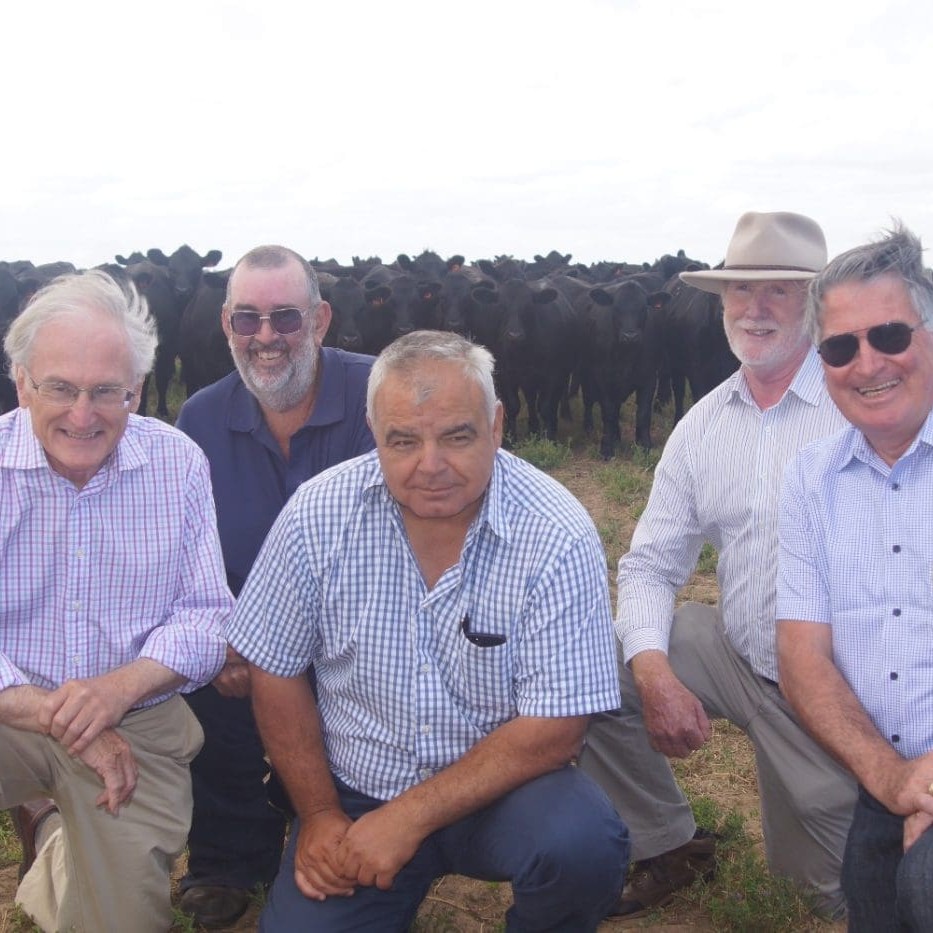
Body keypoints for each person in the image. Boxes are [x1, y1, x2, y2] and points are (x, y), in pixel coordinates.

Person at [225, 330, 628, 931]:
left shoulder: (556, 531)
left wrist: (407, 819)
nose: (431, 465)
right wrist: (319, 815)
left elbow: (557, 729)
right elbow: (275, 669)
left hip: (503, 793)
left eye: (457, 436)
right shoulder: (318, 514)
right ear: (373, 434)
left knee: (583, 844)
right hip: (359, 791)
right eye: (404, 441)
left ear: (496, 426)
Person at [578, 211, 858, 919]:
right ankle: (669, 841)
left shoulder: (860, 410)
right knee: (592, 666)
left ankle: (824, 790)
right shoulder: (701, 425)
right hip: (738, 657)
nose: (753, 309)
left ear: (815, 303)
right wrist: (653, 671)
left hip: (836, 691)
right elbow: (647, 565)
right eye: (739, 291)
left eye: (777, 291)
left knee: (824, 893)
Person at [0, 270, 233, 933]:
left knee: (122, 921)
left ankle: (52, 835)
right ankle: (53, 812)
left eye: (107, 391)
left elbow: (207, 615)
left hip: (133, 718)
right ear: (21, 382)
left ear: (136, 389)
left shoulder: (177, 463)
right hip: (10, 702)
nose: (83, 414)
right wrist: (53, 709)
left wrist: (117, 689)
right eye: (61, 388)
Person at [174, 245, 375, 928]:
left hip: (361, 631)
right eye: (247, 319)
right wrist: (227, 637)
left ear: (320, 319)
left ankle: (331, 816)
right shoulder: (200, 419)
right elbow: (187, 554)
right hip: (246, 642)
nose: (265, 337)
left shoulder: (378, 397)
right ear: (225, 323)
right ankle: (226, 856)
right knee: (199, 683)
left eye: (284, 318)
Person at [777, 225, 933, 931]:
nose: (866, 362)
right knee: (875, 897)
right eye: (840, 347)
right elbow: (801, 656)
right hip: (884, 778)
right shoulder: (810, 480)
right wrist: (894, 781)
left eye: (890, 336)